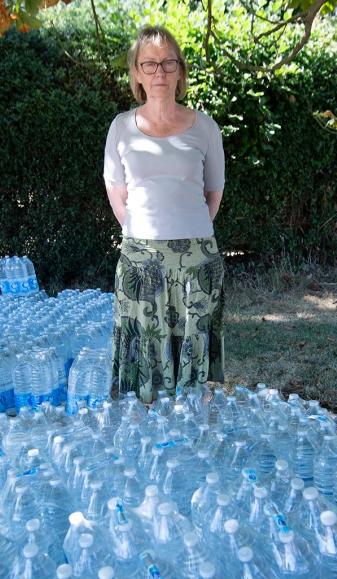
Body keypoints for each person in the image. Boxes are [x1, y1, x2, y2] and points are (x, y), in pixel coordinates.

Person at [103, 25, 227, 404]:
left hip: (197, 262)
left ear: (180, 71)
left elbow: (214, 192)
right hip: (140, 260)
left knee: (194, 367)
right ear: (137, 74)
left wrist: (187, 229)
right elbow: (116, 194)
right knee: (145, 356)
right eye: (150, 64)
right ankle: (148, 439)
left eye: (168, 63)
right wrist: (142, 233)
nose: (160, 72)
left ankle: (191, 438)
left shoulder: (205, 127)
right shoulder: (121, 127)